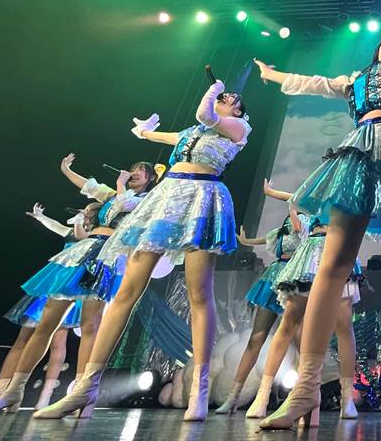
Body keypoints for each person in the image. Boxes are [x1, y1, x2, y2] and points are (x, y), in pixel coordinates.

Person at [252, 24, 381, 431]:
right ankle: (306, 388)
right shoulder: (356, 79)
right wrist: (271, 75)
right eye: (380, 45)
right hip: (360, 152)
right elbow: (313, 83)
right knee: (331, 268)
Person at [35, 81, 249, 422]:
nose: (226, 98)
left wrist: (215, 89)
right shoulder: (192, 132)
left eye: (231, 99)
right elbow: (160, 136)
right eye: (225, 95)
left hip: (203, 198)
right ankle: (86, 387)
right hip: (167, 198)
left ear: (237, 110)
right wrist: (144, 130)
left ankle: (199, 389)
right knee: (126, 292)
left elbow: (205, 114)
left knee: (198, 294)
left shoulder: (237, 128)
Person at [245, 184, 362, 423]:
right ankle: (263, 396)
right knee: (288, 323)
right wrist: (271, 193)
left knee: (343, 326)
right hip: (310, 254)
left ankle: (347, 398)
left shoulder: (351, 188)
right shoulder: (318, 193)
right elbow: (295, 196)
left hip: (339, 247)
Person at [0, 204, 84, 413]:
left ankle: (44, 398)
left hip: (69, 292)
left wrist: (80, 221)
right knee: (22, 340)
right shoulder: (71, 231)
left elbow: (82, 237)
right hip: (49, 288)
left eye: (89, 211)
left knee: (58, 344)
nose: (84, 212)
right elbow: (57, 227)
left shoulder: (93, 236)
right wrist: (41, 217)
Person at [216, 181, 308, 415]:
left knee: (300, 343)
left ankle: (299, 397)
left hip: (295, 280)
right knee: (256, 338)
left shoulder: (307, 222)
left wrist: (278, 197)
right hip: (273, 278)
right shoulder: (281, 230)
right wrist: (246, 241)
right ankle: (233, 397)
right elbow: (263, 240)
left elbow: (297, 226)